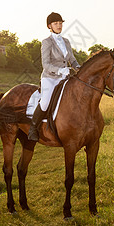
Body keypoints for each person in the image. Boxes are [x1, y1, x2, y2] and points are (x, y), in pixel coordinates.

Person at [28, 12, 80, 142]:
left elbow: (72, 60)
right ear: (49, 26)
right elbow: (45, 64)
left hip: (65, 77)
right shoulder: (46, 42)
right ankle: (33, 128)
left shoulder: (66, 41)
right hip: (50, 78)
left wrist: (79, 68)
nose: (59, 26)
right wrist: (59, 71)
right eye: (56, 23)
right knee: (45, 102)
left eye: (60, 23)